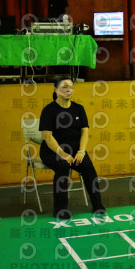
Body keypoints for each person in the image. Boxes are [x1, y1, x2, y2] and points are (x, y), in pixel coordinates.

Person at [39, 77, 105, 219]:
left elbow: (85, 132)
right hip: (52, 151)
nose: (68, 90)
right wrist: (62, 154)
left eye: (71, 87)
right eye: (64, 87)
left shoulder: (78, 109)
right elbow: (47, 137)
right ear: (56, 90)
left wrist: (81, 151)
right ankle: (60, 209)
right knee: (63, 166)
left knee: (88, 166)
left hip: (75, 150)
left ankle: (98, 205)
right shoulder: (49, 110)